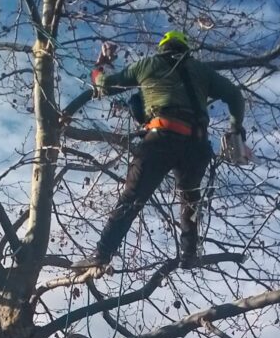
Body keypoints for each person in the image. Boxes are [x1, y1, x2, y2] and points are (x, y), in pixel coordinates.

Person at [75, 30, 245, 271]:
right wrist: (236, 129)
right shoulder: (201, 71)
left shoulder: (148, 65)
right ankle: (189, 253)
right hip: (197, 146)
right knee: (189, 201)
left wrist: (98, 68)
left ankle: (102, 254)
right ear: (185, 49)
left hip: (161, 139)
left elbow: (106, 85)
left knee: (132, 199)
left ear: (162, 48)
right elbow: (235, 96)